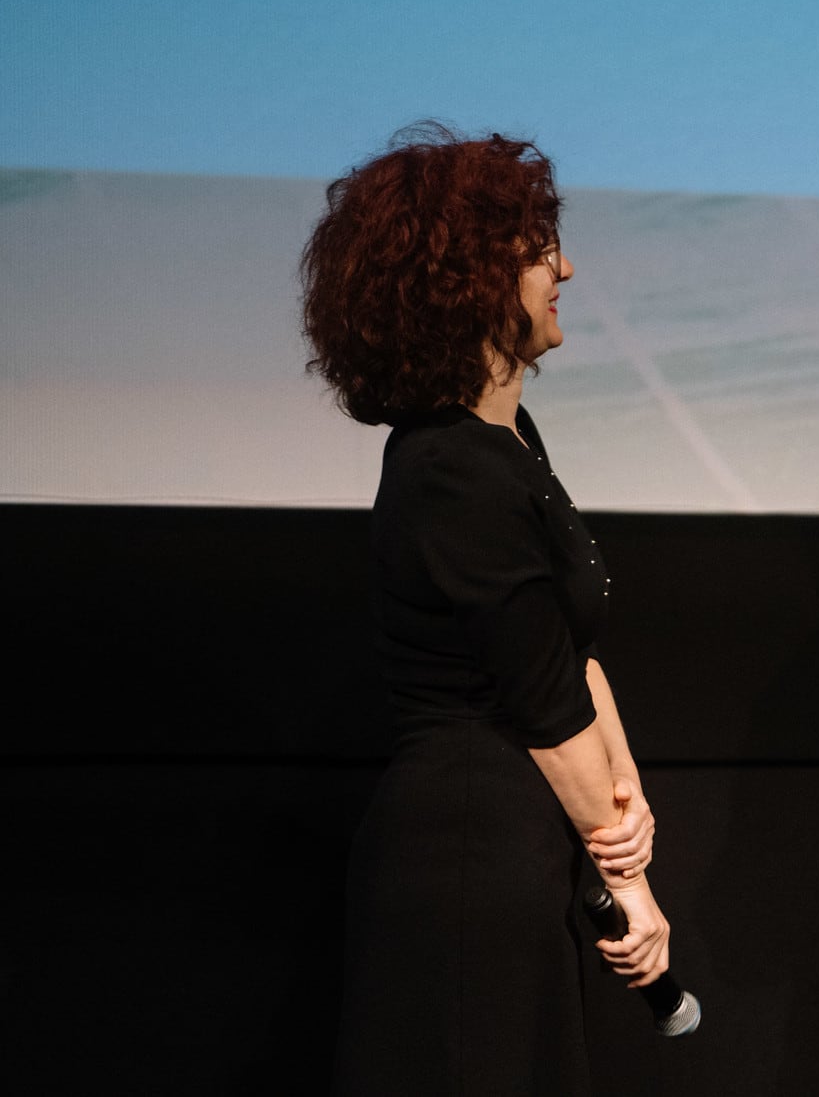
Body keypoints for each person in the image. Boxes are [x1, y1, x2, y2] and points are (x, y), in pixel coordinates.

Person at [304, 126, 670, 1095]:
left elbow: (570, 651)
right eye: (539, 250)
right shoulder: (450, 468)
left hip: (520, 842)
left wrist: (626, 816)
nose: (566, 268)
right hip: (464, 852)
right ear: (468, 278)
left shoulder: (502, 445)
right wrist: (626, 882)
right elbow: (543, 701)